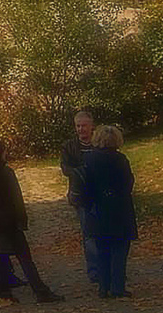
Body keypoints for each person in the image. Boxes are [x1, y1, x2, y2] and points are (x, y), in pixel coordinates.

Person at [0, 141, 64, 303]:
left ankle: (2, 292)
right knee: (25, 258)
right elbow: (16, 198)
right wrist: (22, 219)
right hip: (8, 220)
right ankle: (40, 291)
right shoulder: (6, 173)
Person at [83, 125, 137, 299]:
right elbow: (128, 183)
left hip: (98, 209)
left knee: (102, 250)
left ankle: (103, 286)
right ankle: (117, 287)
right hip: (119, 209)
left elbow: (86, 186)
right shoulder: (121, 159)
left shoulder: (90, 159)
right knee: (119, 250)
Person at [60, 109, 100, 288]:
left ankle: (109, 268)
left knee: (106, 233)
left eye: (84, 126)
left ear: (92, 126)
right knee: (89, 234)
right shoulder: (69, 146)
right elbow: (65, 168)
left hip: (101, 195)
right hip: (81, 195)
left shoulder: (100, 142)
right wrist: (81, 172)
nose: (81, 129)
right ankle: (94, 271)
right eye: (78, 126)